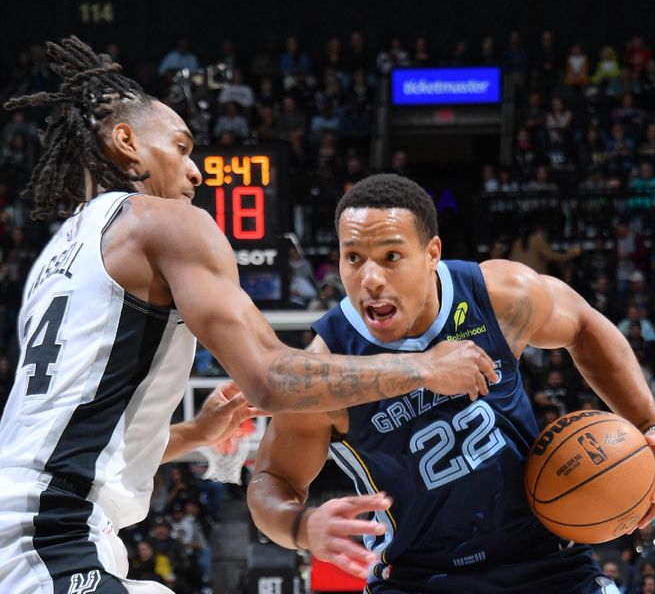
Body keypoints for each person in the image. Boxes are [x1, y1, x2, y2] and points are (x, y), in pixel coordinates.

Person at [0, 37, 496, 593]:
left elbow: (67, 440)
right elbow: (269, 379)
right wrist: (426, 368)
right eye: (182, 148)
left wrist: (194, 433)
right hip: (52, 537)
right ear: (126, 143)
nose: (195, 173)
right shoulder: (166, 222)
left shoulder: (57, 258)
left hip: (33, 524)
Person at [247, 174, 655, 593]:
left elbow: (583, 326)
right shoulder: (329, 366)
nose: (370, 278)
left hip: (545, 560)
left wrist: (650, 424)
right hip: (419, 577)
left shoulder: (498, 295)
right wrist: (300, 526)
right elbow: (272, 477)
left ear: (432, 252)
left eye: (391, 256)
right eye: (353, 257)